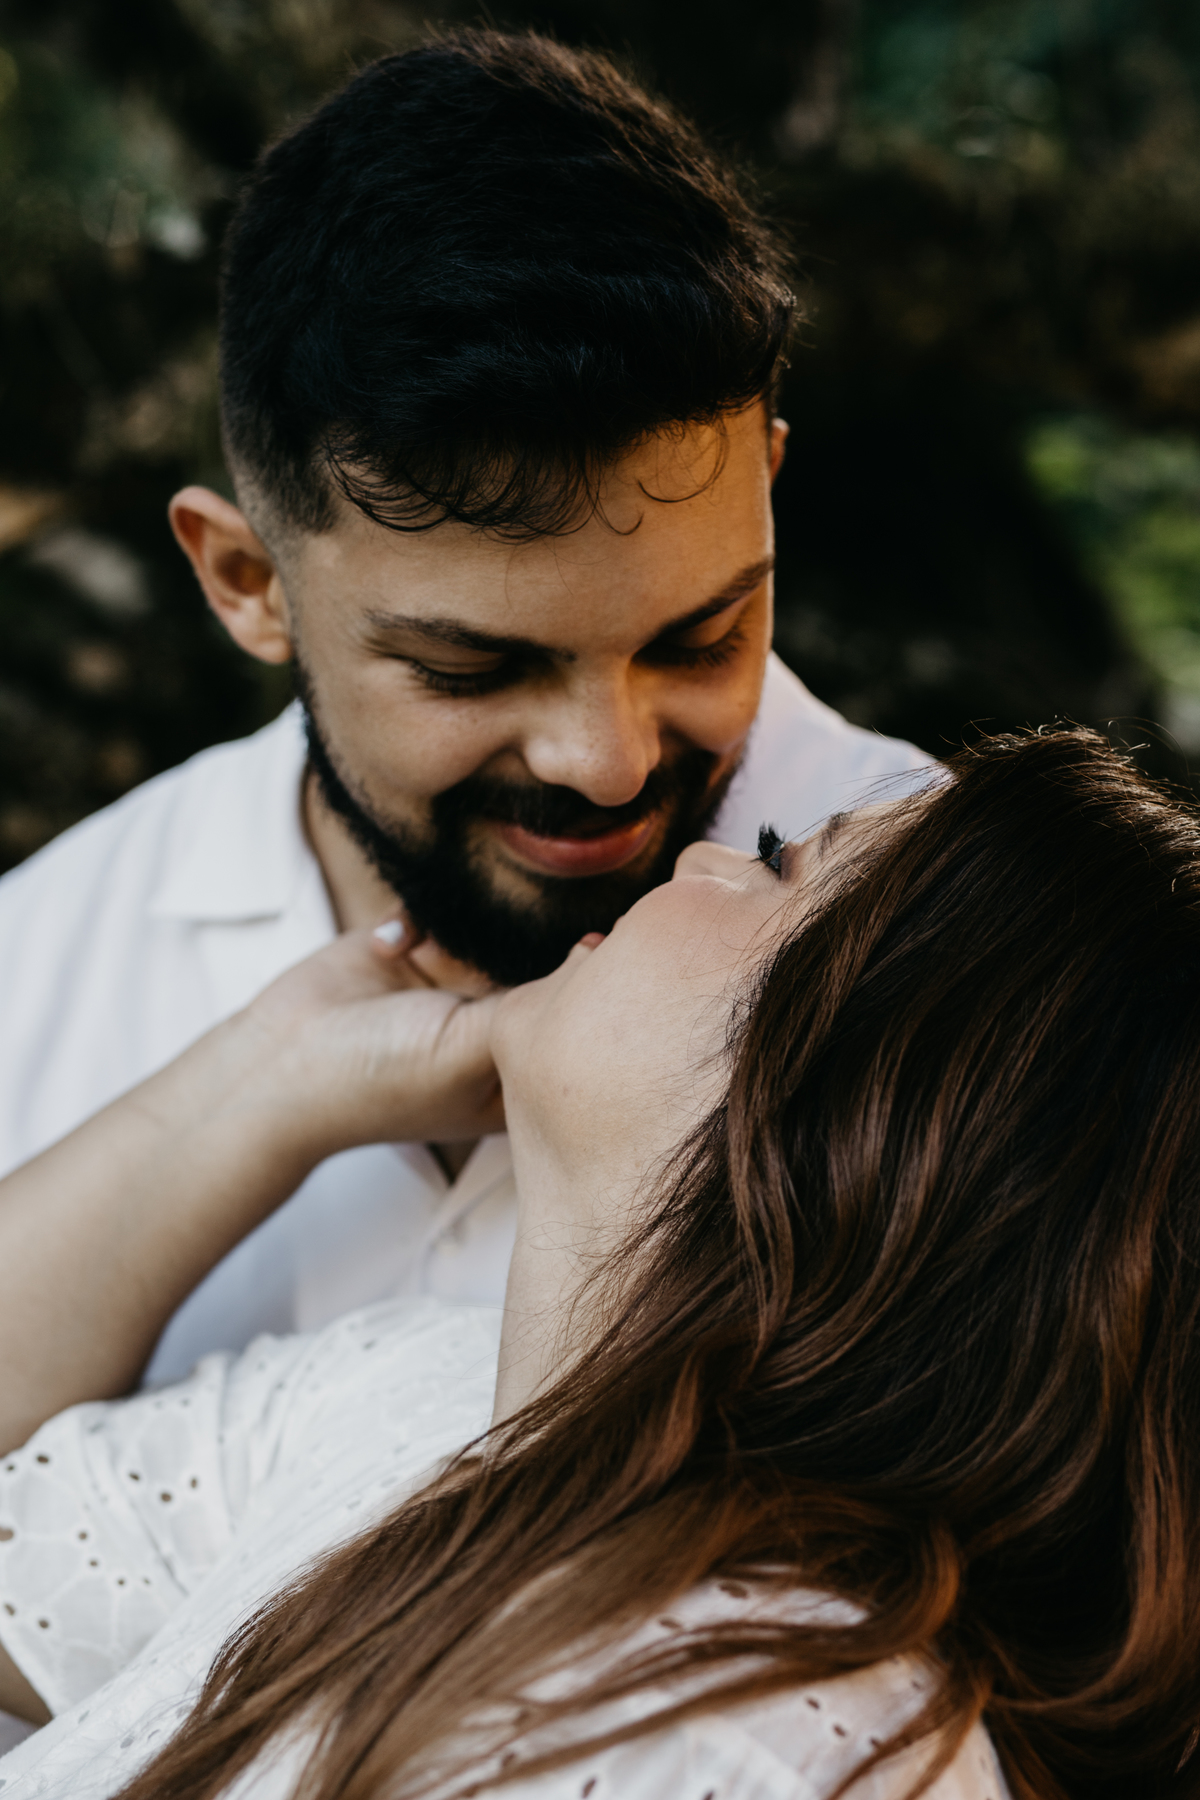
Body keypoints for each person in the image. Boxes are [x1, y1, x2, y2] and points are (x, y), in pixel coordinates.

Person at [1, 726, 1198, 1800]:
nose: (693, 859)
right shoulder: (411, 1408)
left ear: (882, 1117)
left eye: (779, 863)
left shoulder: (761, 1743)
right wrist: (264, 1077)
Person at [0, 32, 930, 1391]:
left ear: (766, 490)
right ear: (247, 583)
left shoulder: (982, 947)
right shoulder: (34, 970)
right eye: (472, 671)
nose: (606, 763)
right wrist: (251, 1095)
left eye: (703, 635)